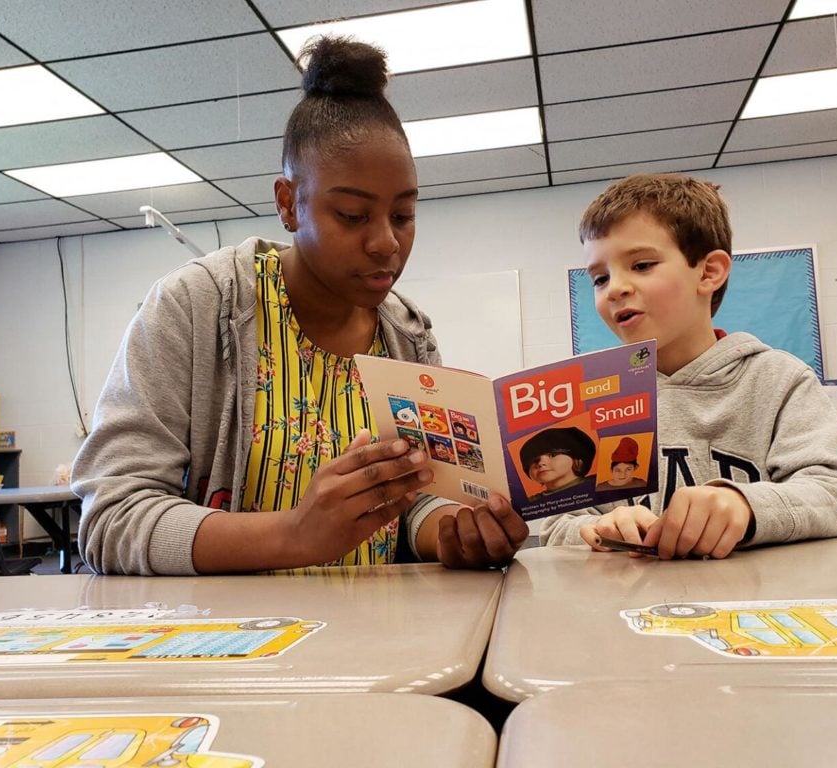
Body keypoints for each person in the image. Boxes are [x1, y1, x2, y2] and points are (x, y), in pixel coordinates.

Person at [71, 36, 528, 575]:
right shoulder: (195, 306)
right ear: (289, 203)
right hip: (233, 646)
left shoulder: (407, 336)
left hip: (386, 640)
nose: (386, 242)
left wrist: (452, 534)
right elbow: (112, 518)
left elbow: (414, 502)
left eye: (403, 216)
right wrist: (295, 535)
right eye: (354, 216)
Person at [540, 173, 837, 559]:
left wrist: (744, 505)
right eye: (600, 278)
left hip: (756, 603)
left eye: (642, 265)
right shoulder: (587, 396)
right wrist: (594, 530)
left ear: (709, 272)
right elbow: (556, 524)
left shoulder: (779, 380)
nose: (614, 288)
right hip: (624, 603)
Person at [520, 427, 596, 501]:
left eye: (553, 455)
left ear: (576, 459)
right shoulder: (530, 504)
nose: (540, 463)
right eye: (534, 460)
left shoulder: (600, 486)